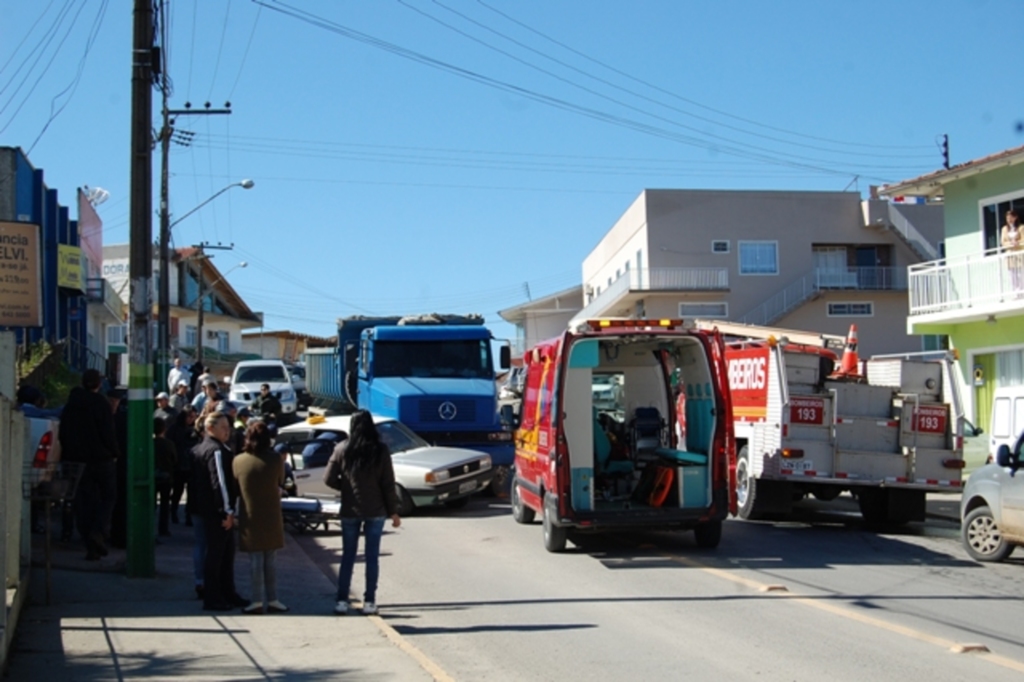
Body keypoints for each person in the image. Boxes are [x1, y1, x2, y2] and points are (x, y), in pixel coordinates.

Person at [323, 410, 401, 616]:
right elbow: (388, 484)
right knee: (371, 557)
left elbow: (328, 478)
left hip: (350, 509)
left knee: (348, 556)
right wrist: (393, 511)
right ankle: (369, 601)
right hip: (376, 510)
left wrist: (345, 487)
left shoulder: (341, 449)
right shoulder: (381, 450)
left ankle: (341, 600)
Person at [57, 369, 120, 560]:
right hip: (101, 460)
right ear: (98, 384)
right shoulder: (100, 404)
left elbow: (63, 432)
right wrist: (115, 452)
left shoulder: (71, 405)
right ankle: (98, 532)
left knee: (84, 501)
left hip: (76, 460)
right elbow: (107, 432)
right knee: (108, 497)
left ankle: (89, 541)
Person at [189, 412, 248, 611]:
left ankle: (227, 593)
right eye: (223, 427)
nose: (227, 431)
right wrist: (227, 511)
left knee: (223, 553)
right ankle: (214, 597)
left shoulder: (199, 449)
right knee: (217, 555)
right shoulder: (216, 451)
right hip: (216, 512)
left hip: (203, 509)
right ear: (211, 428)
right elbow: (220, 483)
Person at [233, 420, 288, 615]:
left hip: (249, 514)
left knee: (255, 561)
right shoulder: (275, 460)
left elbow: (235, 486)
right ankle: (273, 599)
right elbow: (280, 481)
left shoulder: (238, 461)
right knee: (270, 560)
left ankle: (256, 600)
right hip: (272, 514)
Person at [170, 406, 199, 526]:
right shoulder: (175, 429)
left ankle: (189, 516)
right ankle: (173, 512)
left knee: (192, 493)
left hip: (191, 465)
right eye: (189, 416)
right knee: (177, 491)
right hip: (179, 465)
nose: (191, 419)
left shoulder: (194, 430)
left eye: (193, 417)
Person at [153, 417, 177, 537]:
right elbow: (174, 459)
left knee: (151, 505)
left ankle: (150, 527)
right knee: (165, 504)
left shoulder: (149, 444)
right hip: (166, 476)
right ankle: (163, 529)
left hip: (153, 476)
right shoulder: (169, 444)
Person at [1001, 209, 1023, 292]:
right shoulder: (1004, 229)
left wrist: (1018, 243)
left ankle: (1022, 292)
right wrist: (1011, 243)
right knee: (1012, 275)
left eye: (1011, 217)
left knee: (1020, 274)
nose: (1009, 219)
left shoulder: (1021, 228)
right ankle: (1016, 293)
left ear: (1015, 217)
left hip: (1020, 255)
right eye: (1007, 218)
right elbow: (1003, 242)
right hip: (1010, 255)